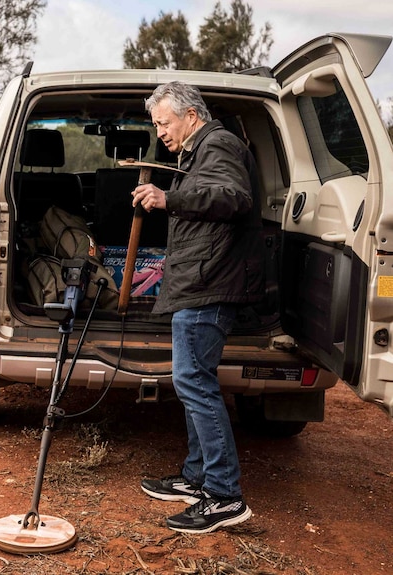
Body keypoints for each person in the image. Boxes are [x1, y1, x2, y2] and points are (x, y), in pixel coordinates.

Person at [130, 81, 264, 534]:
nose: (160, 133)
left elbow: (233, 197)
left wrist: (171, 197)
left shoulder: (219, 144)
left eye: (163, 123)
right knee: (193, 381)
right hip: (197, 280)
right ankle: (196, 478)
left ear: (190, 115)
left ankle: (224, 496)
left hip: (210, 285)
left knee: (194, 383)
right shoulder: (195, 151)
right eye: (156, 125)